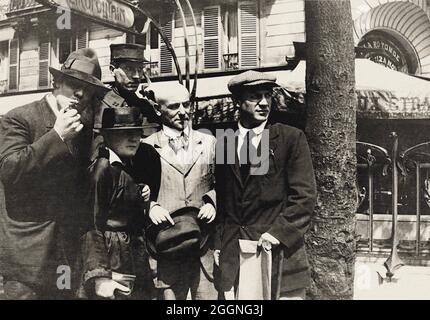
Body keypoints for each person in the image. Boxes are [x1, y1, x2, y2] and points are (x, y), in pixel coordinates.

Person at [0, 48, 108, 299]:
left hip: (66, 258)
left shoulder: (83, 131)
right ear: (56, 81)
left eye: (88, 90)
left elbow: (83, 201)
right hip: (26, 261)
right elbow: (9, 170)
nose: (80, 94)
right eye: (73, 84)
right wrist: (56, 136)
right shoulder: (20, 118)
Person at [214, 70, 317, 300]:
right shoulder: (225, 141)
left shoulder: (290, 138)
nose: (264, 103)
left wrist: (277, 234)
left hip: (280, 256)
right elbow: (224, 199)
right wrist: (219, 243)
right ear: (238, 102)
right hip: (235, 260)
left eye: (268, 95)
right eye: (255, 97)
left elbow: (304, 197)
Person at [142, 82, 218, 300]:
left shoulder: (211, 143)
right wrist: (150, 206)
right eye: (175, 106)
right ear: (158, 109)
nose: (183, 112)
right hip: (167, 251)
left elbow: (226, 184)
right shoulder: (145, 148)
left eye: (187, 104)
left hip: (204, 250)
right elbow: (134, 190)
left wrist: (213, 201)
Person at [77, 106, 157, 300]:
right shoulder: (102, 169)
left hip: (130, 258)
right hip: (113, 262)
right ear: (107, 136)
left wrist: (138, 192)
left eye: (138, 133)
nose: (134, 139)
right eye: (125, 133)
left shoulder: (123, 166)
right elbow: (90, 223)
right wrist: (100, 276)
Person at [109, 43, 160, 136]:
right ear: (112, 70)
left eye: (140, 69)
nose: (136, 76)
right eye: (129, 68)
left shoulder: (146, 107)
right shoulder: (100, 105)